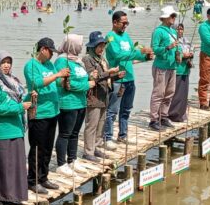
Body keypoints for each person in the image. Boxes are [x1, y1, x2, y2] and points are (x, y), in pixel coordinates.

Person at [24, 37, 70, 194]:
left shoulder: (49, 64)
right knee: (37, 148)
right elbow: (36, 83)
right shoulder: (31, 65)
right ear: (43, 49)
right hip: (39, 113)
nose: (52, 55)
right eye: (50, 52)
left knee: (48, 147)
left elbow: (55, 83)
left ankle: (43, 177)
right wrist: (57, 75)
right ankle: (32, 180)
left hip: (53, 111)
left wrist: (63, 79)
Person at [0, 51, 32, 205]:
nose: (6, 65)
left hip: (16, 128)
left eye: (8, 62)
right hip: (1, 130)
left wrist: (29, 98)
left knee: (15, 164)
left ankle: (14, 196)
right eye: (3, 62)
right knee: (0, 164)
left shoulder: (15, 81)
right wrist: (20, 107)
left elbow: (20, 100)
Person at [103, 11, 153, 147]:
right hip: (117, 79)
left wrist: (145, 57)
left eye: (127, 23)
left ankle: (122, 135)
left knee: (126, 109)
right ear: (115, 22)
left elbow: (132, 54)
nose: (125, 25)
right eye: (123, 23)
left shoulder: (127, 37)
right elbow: (119, 55)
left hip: (129, 78)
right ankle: (107, 137)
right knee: (112, 110)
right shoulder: (110, 37)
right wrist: (139, 52)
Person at [54, 34, 96, 176]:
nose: (81, 46)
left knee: (75, 133)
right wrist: (86, 84)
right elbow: (67, 84)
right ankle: (61, 163)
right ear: (72, 45)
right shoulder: (62, 61)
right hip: (68, 103)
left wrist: (90, 79)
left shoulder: (78, 61)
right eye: (79, 44)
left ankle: (72, 159)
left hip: (80, 103)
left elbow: (80, 78)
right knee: (65, 134)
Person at [82, 31, 123, 162]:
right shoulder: (87, 59)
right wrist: (108, 73)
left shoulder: (102, 59)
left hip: (104, 96)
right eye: (99, 46)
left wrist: (116, 75)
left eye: (103, 46)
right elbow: (92, 77)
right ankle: (88, 151)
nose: (101, 48)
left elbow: (106, 76)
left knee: (101, 124)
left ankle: (96, 146)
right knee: (91, 125)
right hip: (93, 97)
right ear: (93, 46)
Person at [148, 6, 179, 131]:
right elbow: (154, 49)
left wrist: (179, 54)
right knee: (158, 93)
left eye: (174, 16)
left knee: (169, 93)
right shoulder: (158, 31)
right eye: (172, 16)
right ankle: (153, 119)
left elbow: (177, 46)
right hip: (161, 66)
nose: (174, 18)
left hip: (172, 66)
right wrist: (168, 47)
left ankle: (164, 116)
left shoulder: (174, 31)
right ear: (165, 18)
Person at [167, 24, 195, 122]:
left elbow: (192, 48)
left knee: (183, 93)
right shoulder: (172, 41)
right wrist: (183, 55)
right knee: (175, 93)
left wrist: (191, 54)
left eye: (181, 29)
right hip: (176, 69)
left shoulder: (185, 40)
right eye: (178, 29)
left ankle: (181, 113)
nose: (180, 31)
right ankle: (172, 114)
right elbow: (173, 54)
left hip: (185, 70)